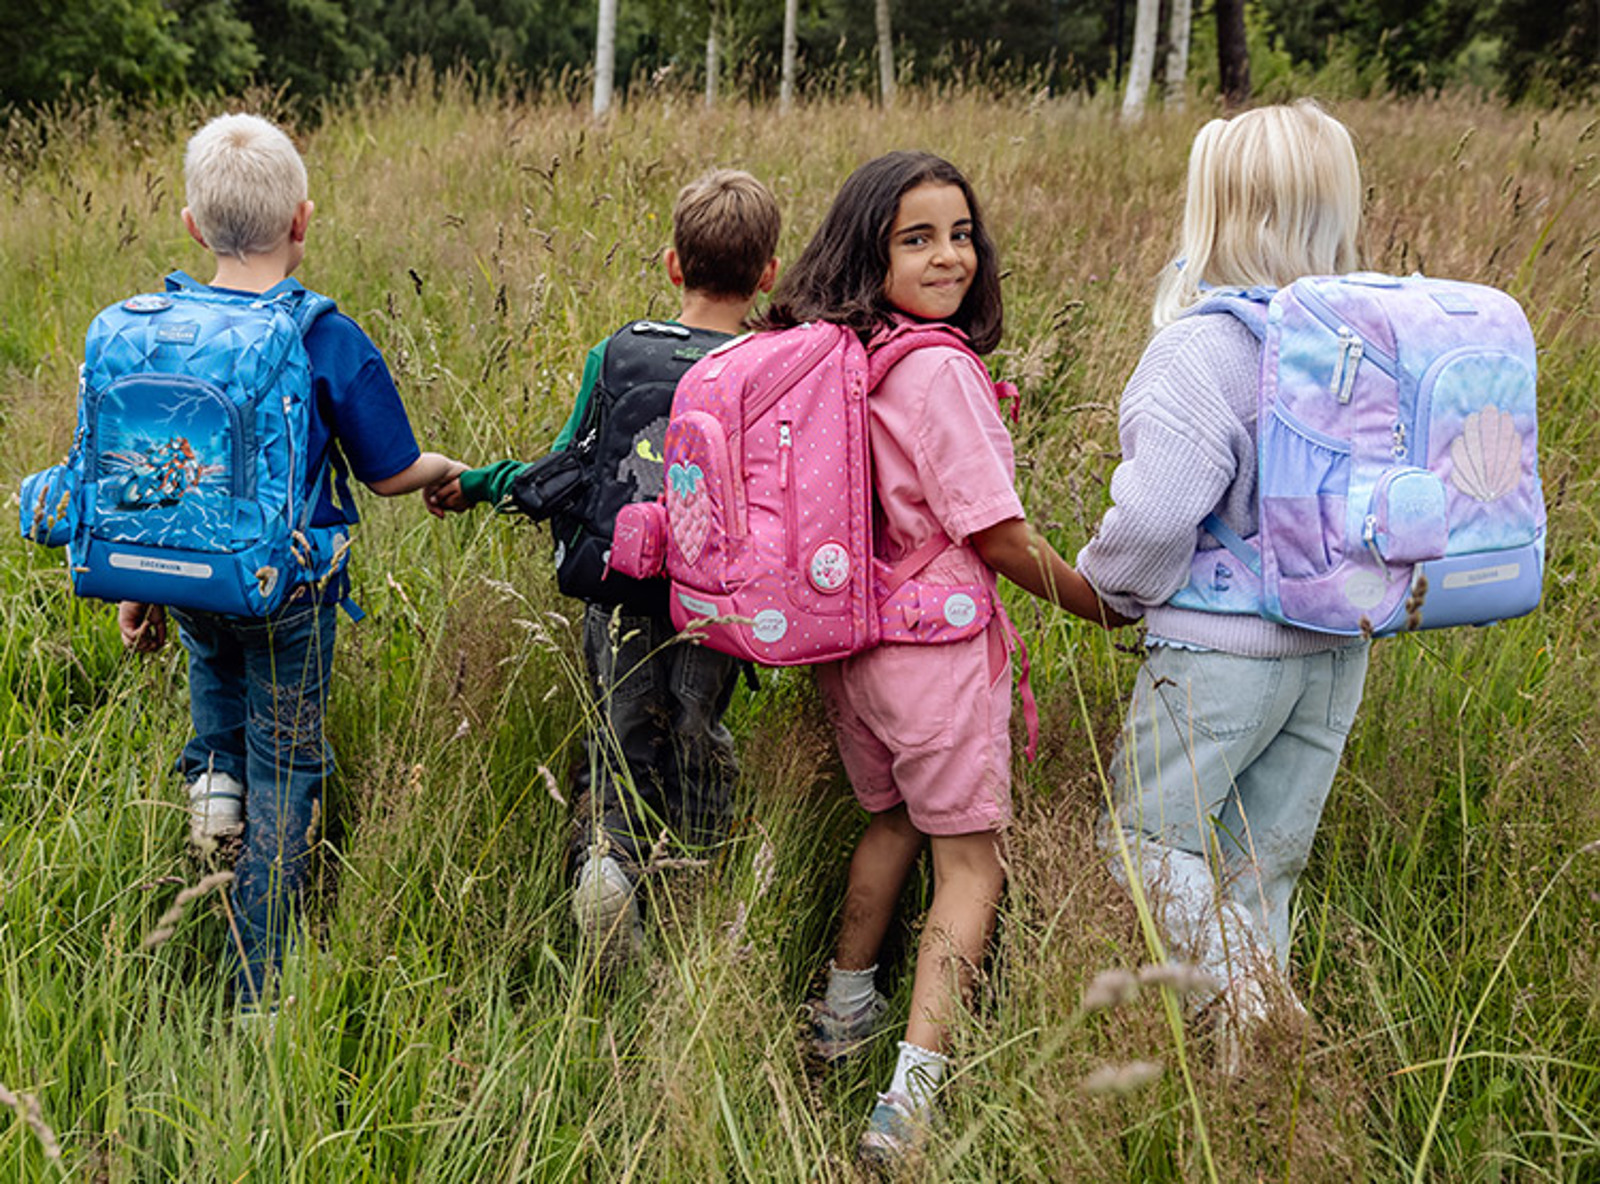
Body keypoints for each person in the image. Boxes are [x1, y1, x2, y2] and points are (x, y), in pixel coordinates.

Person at [757, 150, 1123, 1165]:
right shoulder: (938, 370)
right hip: (933, 652)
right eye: (916, 238)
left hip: (853, 648)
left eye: (961, 234)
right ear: (870, 251)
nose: (949, 255)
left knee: (890, 820)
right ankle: (907, 1103)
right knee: (971, 860)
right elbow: (998, 535)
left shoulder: (843, 356)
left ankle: (837, 1018)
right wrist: (1104, 608)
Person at [118, 113, 465, 1008]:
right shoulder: (323, 335)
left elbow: (152, 476)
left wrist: (140, 585)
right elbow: (389, 471)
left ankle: (210, 782)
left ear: (192, 227)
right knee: (290, 769)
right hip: (292, 588)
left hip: (189, 579)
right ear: (304, 220)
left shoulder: (162, 328)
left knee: (214, 685)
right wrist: (450, 473)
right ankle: (261, 992)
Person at [1075, 101, 1371, 1063]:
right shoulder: (1367, 350)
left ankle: (1251, 1011)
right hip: (1335, 651)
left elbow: (1158, 514)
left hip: (1217, 655)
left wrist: (1109, 585)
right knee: (1260, 871)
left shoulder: (1205, 348)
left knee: (1146, 847)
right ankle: (1254, 1080)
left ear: (1216, 209)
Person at [427, 169, 781, 970]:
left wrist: (475, 483)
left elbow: (568, 466)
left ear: (671, 265)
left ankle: (606, 869)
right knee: (694, 733)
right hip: (716, 602)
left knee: (620, 738)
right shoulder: (773, 365)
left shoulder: (619, 351)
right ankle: (684, 901)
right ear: (767, 275)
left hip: (618, 585)